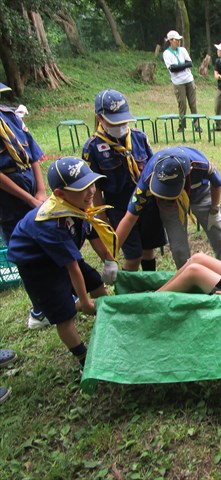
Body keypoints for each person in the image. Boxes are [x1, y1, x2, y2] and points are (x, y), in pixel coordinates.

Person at [7, 158, 117, 369]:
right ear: (60, 194)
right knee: (63, 314)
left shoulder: (80, 207)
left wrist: (109, 261)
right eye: (81, 188)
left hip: (61, 254)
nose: (90, 192)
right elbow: (71, 267)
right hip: (38, 264)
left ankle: (110, 319)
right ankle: (83, 358)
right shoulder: (53, 222)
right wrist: (84, 303)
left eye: (91, 184)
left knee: (94, 280)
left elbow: (94, 238)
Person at [83, 89, 166, 273]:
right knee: (132, 255)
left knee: (148, 249)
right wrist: (102, 217)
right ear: (99, 118)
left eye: (123, 121)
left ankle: (149, 286)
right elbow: (95, 188)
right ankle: (129, 294)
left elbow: (151, 169)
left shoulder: (139, 138)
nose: (120, 126)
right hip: (119, 208)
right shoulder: (93, 148)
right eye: (115, 122)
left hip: (146, 202)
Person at [115, 146, 221, 269]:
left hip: (199, 192)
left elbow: (217, 182)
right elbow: (129, 219)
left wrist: (215, 210)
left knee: (220, 239)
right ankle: (188, 281)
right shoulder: (147, 178)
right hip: (168, 203)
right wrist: (111, 258)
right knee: (178, 249)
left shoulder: (200, 164)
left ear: (189, 171)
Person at [0, 82, 49, 329]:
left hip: (31, 189)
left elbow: (32, 153)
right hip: (8, 201)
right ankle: (40, 310)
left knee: (46, 242)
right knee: (24, 251)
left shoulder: (10, 117)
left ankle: (57, 297)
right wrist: (28, 199)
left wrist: (39, 191)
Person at [162, 30, 200, 133]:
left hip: (189, 79)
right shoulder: (166, 53)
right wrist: (183, 66)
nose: (178, 41)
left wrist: (179, 67)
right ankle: (182, 124)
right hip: (178, 82)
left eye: (179, 40)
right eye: (176, 40)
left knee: (193, 103)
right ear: (170, 41)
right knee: (182, 103)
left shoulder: (182, 50)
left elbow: (190, 63)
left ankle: (197, 125)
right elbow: (172, 68)